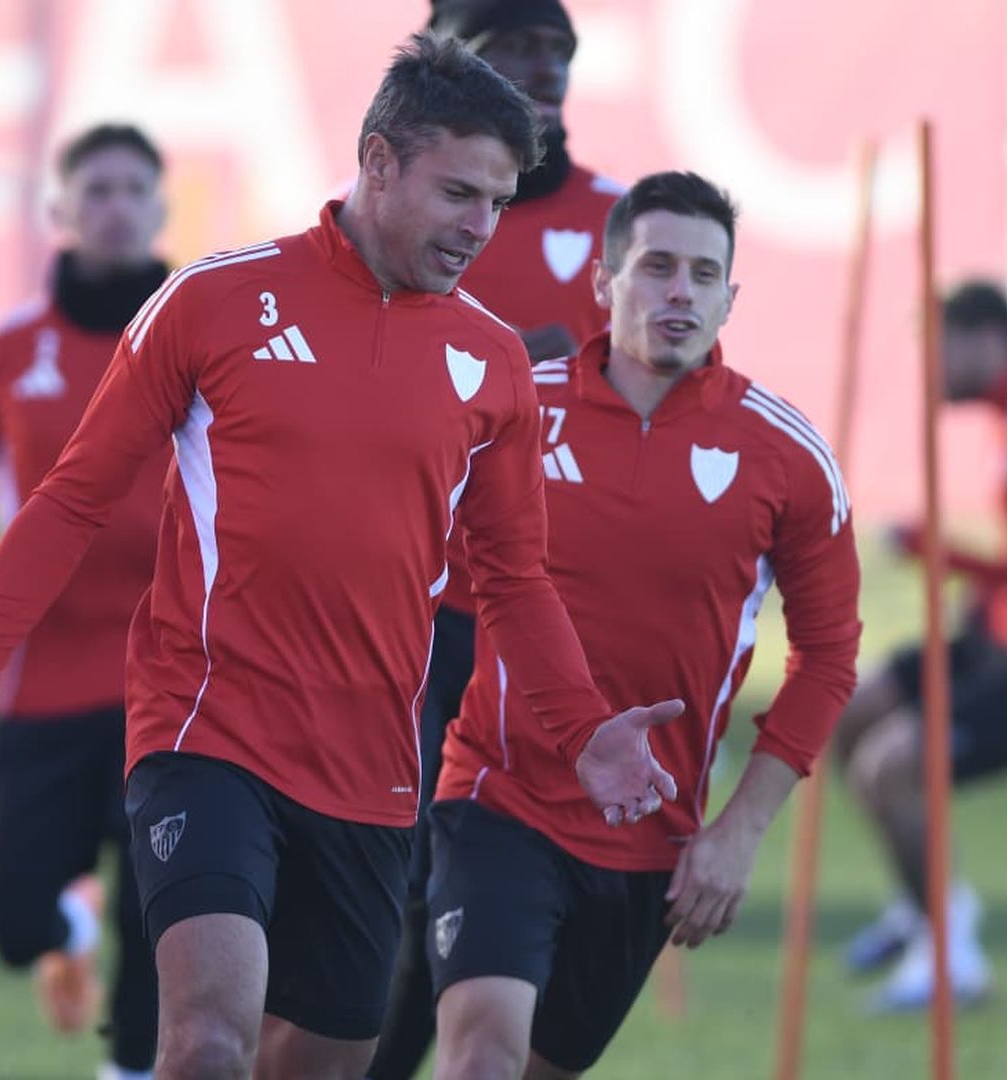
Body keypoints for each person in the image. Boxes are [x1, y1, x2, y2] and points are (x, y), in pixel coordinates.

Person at [0, 34, 683, 1080]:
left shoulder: (493, 362)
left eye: (497, 199)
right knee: (208, 1043)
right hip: (208, 733)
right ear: (377, 161)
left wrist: (582, 733)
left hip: (374, 771)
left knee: (327, 1061)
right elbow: (73, 497)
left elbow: (513, 580)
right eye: (458, 193)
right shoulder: (214, 303)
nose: (481, 227)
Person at [422, 171, 862, 1078]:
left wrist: (737, 834)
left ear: (730, 297)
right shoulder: (513, 408)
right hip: (497, 798)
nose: (680, 292)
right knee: (480, 1060)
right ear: (603, 280)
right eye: (657, 267)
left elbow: (828, 659)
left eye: (705, 275)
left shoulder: (787, 456)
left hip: (653, 837)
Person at [369, 4, 627, 1072]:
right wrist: (513, 357)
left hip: (545, 621)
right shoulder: (403, 216)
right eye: (514, 47)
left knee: (479, 883)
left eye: (557, 49)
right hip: (411, 609)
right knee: (393, 869)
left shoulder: (625, 224)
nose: (544, 69)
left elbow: (669, 397)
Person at [0, 123, 171, 1079]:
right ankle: (69, 926)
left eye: (133, 188)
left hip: (171, 677)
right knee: (14, 923)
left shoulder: (205, 339)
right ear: (59, 211)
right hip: (46, 678)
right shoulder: (12, 348)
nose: (115, 205)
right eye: (95, 188)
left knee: (161, 906)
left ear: (160, 207)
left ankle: (131, 1065)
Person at [831, 280, 1007, 1012]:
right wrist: (986, 597)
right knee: (849, 710)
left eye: (942, 350)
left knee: (888, 768)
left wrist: (938, 550)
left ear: (989, 340)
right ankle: (921, 905)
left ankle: (951, 953)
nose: (931, 369)